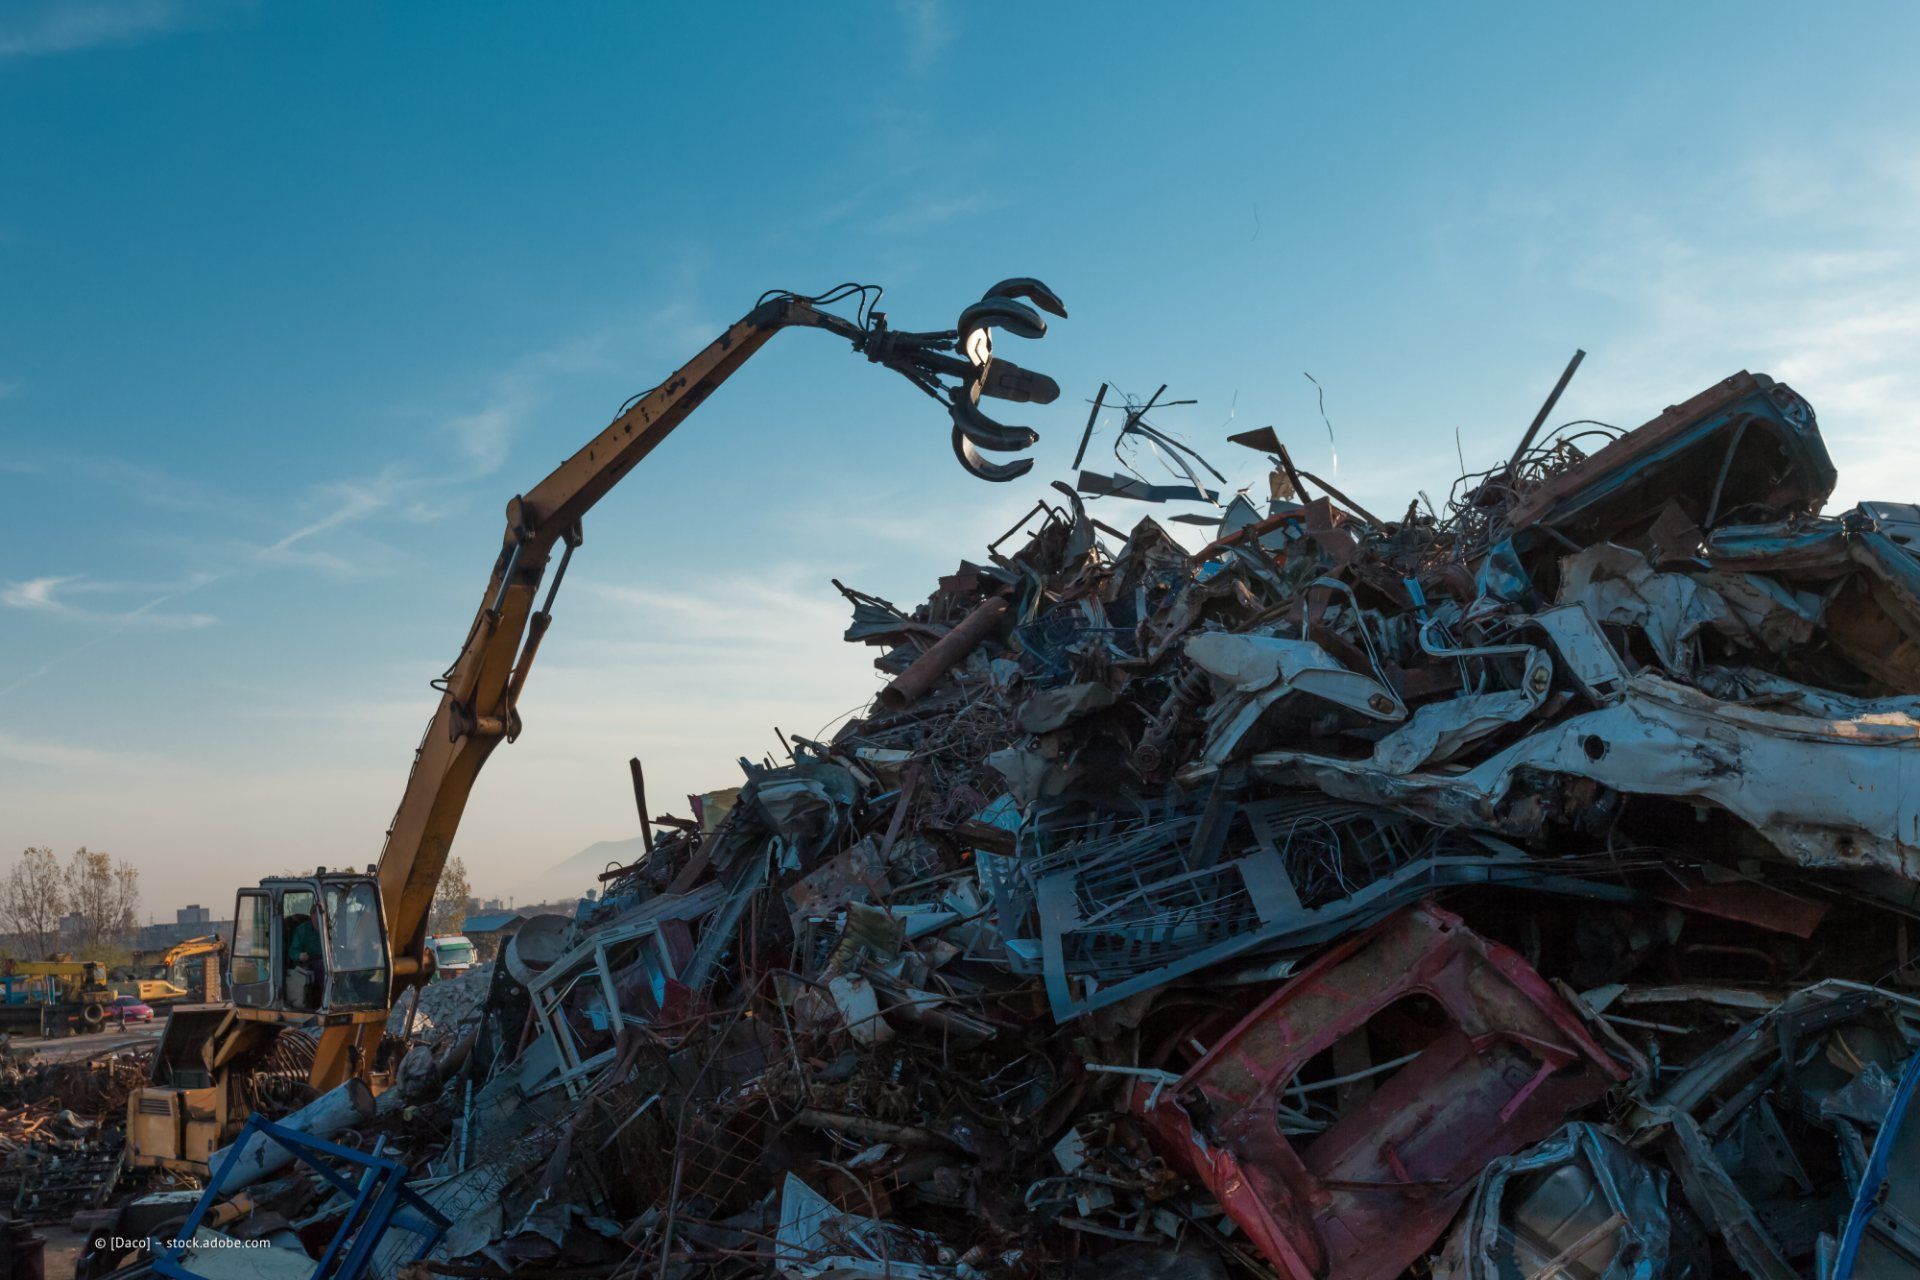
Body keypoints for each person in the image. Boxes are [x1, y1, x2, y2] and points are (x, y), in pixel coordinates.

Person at [284, 912, 322, 1011]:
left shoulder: (327, 928)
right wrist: (299, 956)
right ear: (312, 917)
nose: (318, 923)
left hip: (325, 960)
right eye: (316, 920)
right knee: (322, 969)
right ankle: (321, 1002)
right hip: (307, 962)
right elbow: (293, 952)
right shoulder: (302, 930)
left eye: (320, 920)